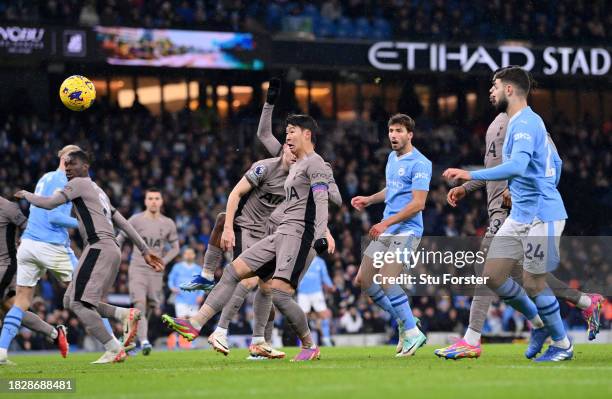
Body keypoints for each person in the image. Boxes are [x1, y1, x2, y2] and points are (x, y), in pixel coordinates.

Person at [435, 84, 603, 359]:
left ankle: (472, 339)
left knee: (489, 267)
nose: (490, 91)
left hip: (515, 209)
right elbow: (492, 168)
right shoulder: (497, 124)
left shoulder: (527, 124)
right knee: (519, 276)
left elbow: (553, 163)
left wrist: (532, 190)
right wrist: (468, 187)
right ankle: (567, 309)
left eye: (495, 86)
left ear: (509, 90)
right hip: (501, 208)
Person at [163, 113, 330, 361]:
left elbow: (322, 198)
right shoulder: (289, 167)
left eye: (292, 131)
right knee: (234, 273)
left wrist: (323, 232)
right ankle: (197, 324)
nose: (287, 137)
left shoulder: (315, 164)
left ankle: (307, 345)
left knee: (278, 295)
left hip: (296, 236)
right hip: (276, 233)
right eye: (286, 134)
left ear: (306, 135)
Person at [14, 150, 164, 364]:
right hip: (107, 248)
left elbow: (49, 204)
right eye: (65, 165)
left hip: (98, 247)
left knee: (77, 303)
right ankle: (123, 315)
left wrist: (26, 195)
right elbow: (122, 221)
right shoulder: (98, 190)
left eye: (72, 164)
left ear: (85, 166)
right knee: (70, 300)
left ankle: (113, 348)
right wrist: (143, 249)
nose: (67, 169)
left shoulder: (79, 183)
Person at [351, 113, 431, 357]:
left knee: (387, 278)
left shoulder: (420, 163)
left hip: (406, 230)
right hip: (388, 228)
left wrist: (385, 223)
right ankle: (405, 321)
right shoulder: (391, 158)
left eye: (399, 131)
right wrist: (370, 199)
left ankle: (412, 331)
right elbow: (392, 189)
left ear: (410, 134)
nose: (393, 135)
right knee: (364, 280)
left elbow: (418, 203)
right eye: (391, 131)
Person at [0, 145, 83, 365]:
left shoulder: (8, 208)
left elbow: (30, 226)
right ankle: (55, 334)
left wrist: (30, 248)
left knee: (17, 304)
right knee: (13, 307)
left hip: (5, 265)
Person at [117, 188, 179, 356]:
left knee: (151, 305)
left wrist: (163, 261)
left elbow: (175, 247)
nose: (153, 201)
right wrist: (116, 253)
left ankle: (128, 338)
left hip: (156, 271)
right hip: (137, 267)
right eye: (150, 198)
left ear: (161, 201)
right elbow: (121, 237)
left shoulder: (168, 223)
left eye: (156, 198)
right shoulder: (136, 220)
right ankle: (144, 341)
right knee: (139, 304)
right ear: (145, 201)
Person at [167, 248, 202, 349]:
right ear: (184, 255)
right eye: (187, 253)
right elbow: (170, 279)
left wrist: (200, 295)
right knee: (181, 321)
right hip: (180, 299)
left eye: (191, 253)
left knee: (193, 322)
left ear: (194, 256)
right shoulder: (177, 267)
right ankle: (179, 341)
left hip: (193, 300)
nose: (189, 255)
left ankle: (190, 342)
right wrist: (172, 287)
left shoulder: (198, 269)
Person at [297, 255, 335, 346]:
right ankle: (301, 342)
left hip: (316, 292)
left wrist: (330, 285)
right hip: (303, 293)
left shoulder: (320, 262)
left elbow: (324, 276)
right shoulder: (300, 260)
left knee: (324, 316)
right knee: (301, 318)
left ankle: (326, 340)